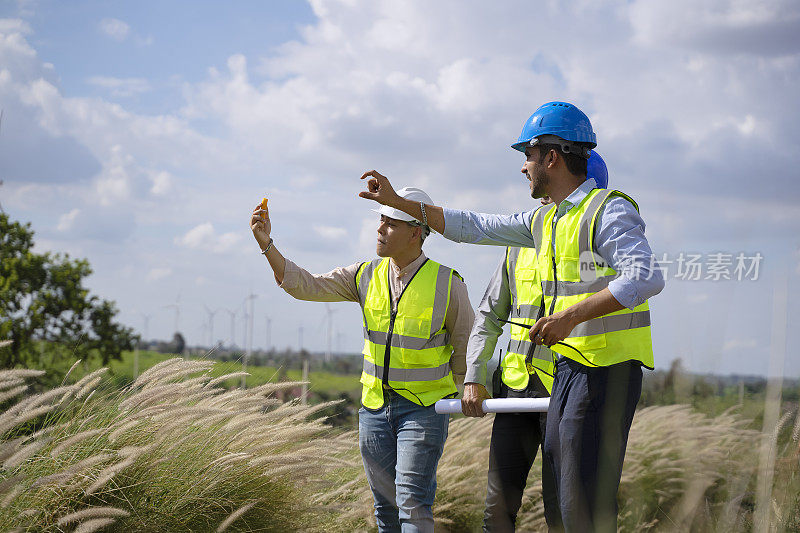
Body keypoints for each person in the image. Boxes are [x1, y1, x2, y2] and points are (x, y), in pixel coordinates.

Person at [358, 101, 664, 532]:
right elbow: (475, 225)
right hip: (571, 370)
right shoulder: (546, 221)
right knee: (564, 505)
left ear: (552, 158)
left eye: (528, 156)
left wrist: (570, 317)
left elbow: (646, 277)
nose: (524, 168)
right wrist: (400, 203)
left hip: (607, 373)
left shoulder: (609, 210)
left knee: (580, 507)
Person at [250, 187, 474, 533]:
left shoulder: (448, 283)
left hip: (423, 410)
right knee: (384, 509)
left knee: (412, 504)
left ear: (416, 232)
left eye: (391, 222)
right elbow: (305, 285)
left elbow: (465, 348)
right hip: (374, 408)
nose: (380, 228)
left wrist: (454, 394)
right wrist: (266, 244)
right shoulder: (364, 274)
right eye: (381, 220)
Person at [463, 151, 608, 532]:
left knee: (562, 511)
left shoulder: (593, 250)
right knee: (496, 510)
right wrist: (474, 374)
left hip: (566, 392)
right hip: (515, 392)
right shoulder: (518, 244)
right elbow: (489, 315)